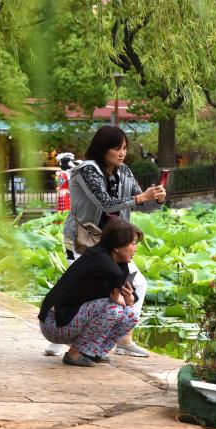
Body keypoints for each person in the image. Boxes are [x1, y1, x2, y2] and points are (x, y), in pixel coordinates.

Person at [44, 126, 165, 358]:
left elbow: (142, 205)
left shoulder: (125, 171)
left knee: (138, 284)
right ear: (102, 148)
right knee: (81, 285)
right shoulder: (86, 170)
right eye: (116, 148)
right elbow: (106, 203)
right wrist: (140, 197)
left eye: (125, 148)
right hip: (81, 239)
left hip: (111, 243)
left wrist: (156, 200)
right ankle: (59, 335)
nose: (122, 153)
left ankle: (124, 339)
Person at [38, 219, 144, 367]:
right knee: (113, 309)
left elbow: (127, 292)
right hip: (54, 323)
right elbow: (116, 277)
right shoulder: (98, 257)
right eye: (133, 243)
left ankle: (93, 352)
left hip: (73, 320)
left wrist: (130, 299)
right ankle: (74, 355)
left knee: (130, 316)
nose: (135, 249)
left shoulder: (120, 264)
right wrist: (119, 298)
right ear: (117, 246)